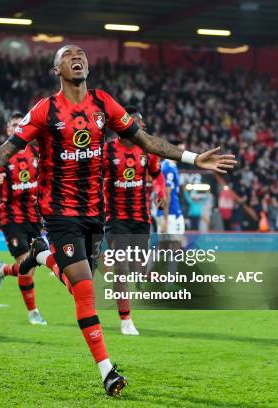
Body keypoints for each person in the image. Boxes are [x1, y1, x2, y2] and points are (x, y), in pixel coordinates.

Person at [0, 44, 236, 396]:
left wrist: (193, 158)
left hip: (95, 215)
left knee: (84, 285)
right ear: (57, 69)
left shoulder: (104, 103)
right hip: (60, 214)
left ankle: (40, 255)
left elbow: (144, 141)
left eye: (81, 54)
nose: (77, 58)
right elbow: (8, 148)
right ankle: (108, 371)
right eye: (68, 55)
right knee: (86, 293)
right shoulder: (45, 110)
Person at [0, 112, 47, 325]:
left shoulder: (37, 152)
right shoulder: (1, 156)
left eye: (20, 124)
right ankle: (33, 313)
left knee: (30, 267)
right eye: (14, 125)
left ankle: (3, 270)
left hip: (34, 218)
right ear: (8, 130)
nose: (17, 128)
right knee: (27, 266)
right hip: (12, 218)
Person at [102, 108, 165, 336]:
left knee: (137, 269)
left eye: (142, 126)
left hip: (141, 217)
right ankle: (126, 320)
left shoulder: (147, 151)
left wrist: (160, 191)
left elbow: (157, 175)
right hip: (116, 217)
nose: (141, 129)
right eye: (137, 124)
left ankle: (143, 273)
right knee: (121, 266)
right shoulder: (107, 151)